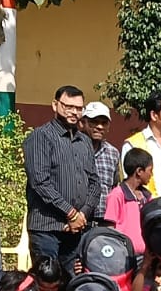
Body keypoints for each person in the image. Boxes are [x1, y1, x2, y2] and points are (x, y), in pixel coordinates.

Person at [24, 85, 106, 272]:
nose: (74, 112)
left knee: (72, 287)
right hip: (47, 228)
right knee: (46, 284)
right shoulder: (40, 137)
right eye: (68, 106)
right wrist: (71, 213)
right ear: (55, 105)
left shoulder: (84, 141)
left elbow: (95, 183)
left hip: (76, 230)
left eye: (78, 108)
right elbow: (40, 182)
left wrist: (83, 214)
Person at [104, 148, 153, 256]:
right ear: (139, 171)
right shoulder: (117, 195)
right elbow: (110, 230)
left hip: (145, 257)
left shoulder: (147, 196)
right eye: (150, 170)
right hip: (124, 256)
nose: (151, 175)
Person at [81, 101, 120, 189]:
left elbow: (115, 188)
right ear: (83, 123)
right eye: (94, 122)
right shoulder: (71, 148)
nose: (100, 127)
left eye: (104, 123)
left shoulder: (112, 153)